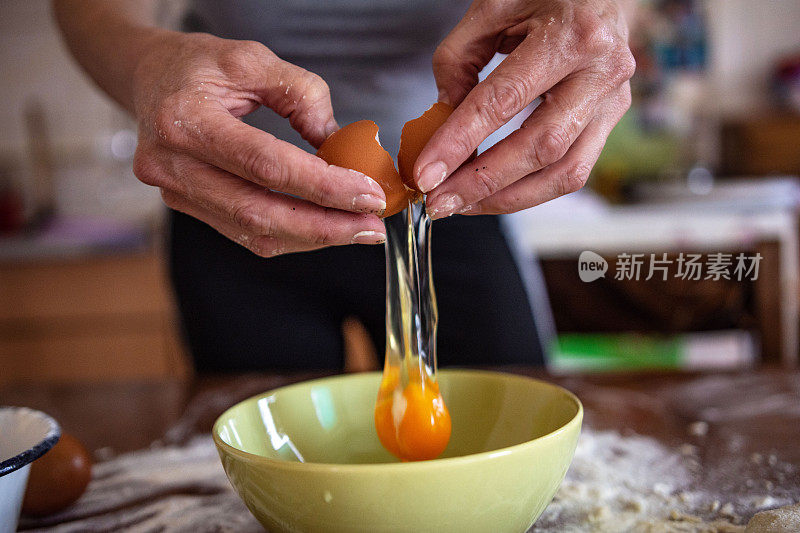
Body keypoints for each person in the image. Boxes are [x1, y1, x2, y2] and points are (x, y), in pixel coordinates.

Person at [53, 0, 634, 372]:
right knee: (273, 455)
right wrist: (145, 65)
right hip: (233, 206)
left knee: (506, 422)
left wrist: (602, 15)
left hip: (449, 207)